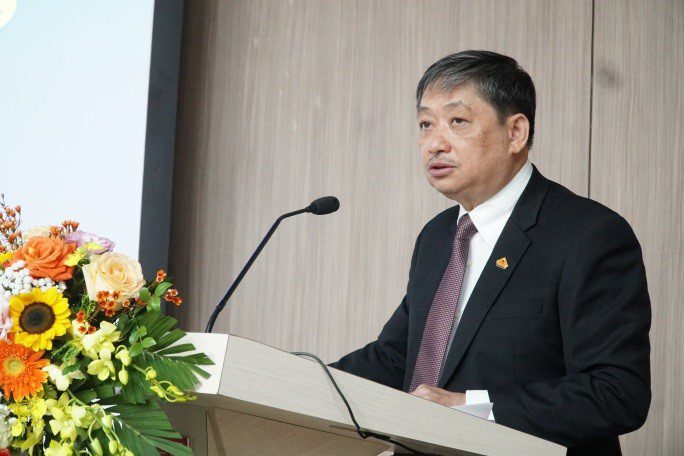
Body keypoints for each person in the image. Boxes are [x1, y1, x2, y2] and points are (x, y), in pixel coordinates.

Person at [331, 50, 651, 456]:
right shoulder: (438, 235)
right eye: (426, 124)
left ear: (515, 132)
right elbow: (397, 358)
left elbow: (617, 392)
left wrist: (470, 408)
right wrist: (300, 379)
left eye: (457, 121)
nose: (434, 144)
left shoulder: (589, 234)